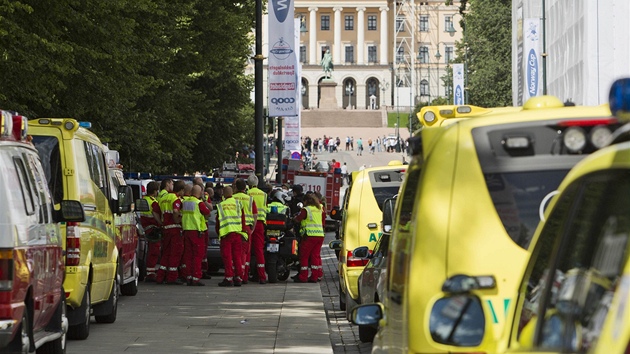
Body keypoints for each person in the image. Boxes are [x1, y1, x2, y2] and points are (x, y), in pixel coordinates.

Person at [156, 180, 186, 285]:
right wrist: (178, 220)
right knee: (175, 253)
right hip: (175, 229)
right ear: (181, 190)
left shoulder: (163, 198)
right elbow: (176, 211)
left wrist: (161, 222)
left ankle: (160, 276)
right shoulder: (176, 199)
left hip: (166, 229)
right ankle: (172, 277)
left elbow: (155, 210)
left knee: (166, 253)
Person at [181, 185, 212, 286]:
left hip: (186, 230)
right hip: (197, 232)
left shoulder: (185, 202)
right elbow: (208, 213)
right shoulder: (199, 203)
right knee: (198, 256)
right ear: (199, 193)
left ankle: (189, 277)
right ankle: (196, 277)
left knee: (188, 255)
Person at [216, 186, 246, 286]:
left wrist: (219, 233)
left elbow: (218, 222)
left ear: (223, 194)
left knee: (227, 257)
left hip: (226, 234)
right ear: (232, 193)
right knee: (237, 256)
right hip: (237, 233)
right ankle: (238, 278)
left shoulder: (221, 205)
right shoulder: (238, 204)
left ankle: (228, 278)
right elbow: (243, 220)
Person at [293, 193, 325, 283]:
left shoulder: (306, 210)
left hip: (309, 236)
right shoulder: (319, 209)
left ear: (306, 201)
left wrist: (294, 219)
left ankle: (303, 276)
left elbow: (298, 219)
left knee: (304, 256)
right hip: (320, 236)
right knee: (315, 256)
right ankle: (314, 276)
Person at [233, 178, 257, 284]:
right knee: (246, 253)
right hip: (247, 228)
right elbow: (255, 215)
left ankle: (236, 274)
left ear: (236, 187)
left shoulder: (232, 198)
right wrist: (253, 228)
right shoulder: (250, 199)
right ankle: (244, 275)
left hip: (235, 227)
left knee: (235, 252)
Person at [246, 175, 268, 284]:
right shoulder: (264, 194)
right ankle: (261, 276)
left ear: (248, 184)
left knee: (248, 249)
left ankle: (245, 274)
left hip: (249, 223)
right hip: (260, 224)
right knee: (259, 250)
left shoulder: (247, 194)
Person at [140, 181, 162, 282]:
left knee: (146, 252)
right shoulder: (154, 202)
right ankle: (150, 273)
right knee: (154, 252)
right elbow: (156, 215)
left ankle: (147, 272)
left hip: (143, 228)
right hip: (152, 229)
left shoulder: (143, 200)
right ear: (154, 191)